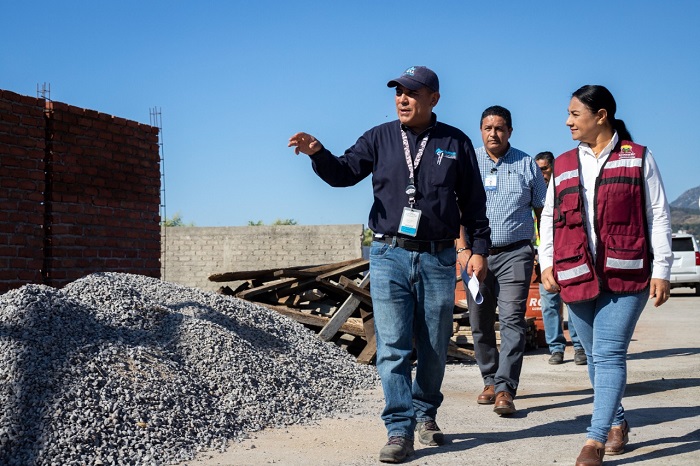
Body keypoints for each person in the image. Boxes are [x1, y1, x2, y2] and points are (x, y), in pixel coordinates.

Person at [288, 66, 491, 464]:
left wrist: (479, 249)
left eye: (412, 92)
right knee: (394, 347)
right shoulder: (379, 138)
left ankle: (425, 412)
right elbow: (344, 174)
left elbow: (473, 201)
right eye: (398, 91)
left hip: (437, 256)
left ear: (433, 98)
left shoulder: (455, 141)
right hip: (387, 255)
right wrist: (318, 153)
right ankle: (399, 428)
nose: (402, 98)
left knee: (433, 346)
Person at [539, 85, 672, 466]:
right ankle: (616, 421)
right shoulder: (563, 163)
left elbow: (658, 213)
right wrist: (546, 262)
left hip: (626, 275)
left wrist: (661, 269)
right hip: (575, 272)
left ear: (601, 116)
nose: (567, 121)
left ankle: (594, 441)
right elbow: (549, 218)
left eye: (575, 114)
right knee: (596, 359)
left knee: (609, 352)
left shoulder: (638, 158)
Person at [457, 105, 547, 416]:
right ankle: (489, 379)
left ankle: (506, 388)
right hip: (473, 257)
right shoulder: (469, 161)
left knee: (511, 321)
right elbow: (457, 212)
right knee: (480, 321)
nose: (493, 133)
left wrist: (543, 250)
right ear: (480, 131)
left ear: (510, 131)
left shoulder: (526, 163)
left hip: (515, 254)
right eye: (487, 128)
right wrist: (463, 251)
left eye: (499, 128)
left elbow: (542, 211)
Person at [534, 151, 586, 366]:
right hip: (545, 259)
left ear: (554, 168)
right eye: (538, 170)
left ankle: (580, 347)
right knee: (549, 304)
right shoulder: (535, 196)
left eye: (545, 169)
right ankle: (556, 348)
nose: (542, 174)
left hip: (569, 255)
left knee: (573, 301)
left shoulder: (566, 189)